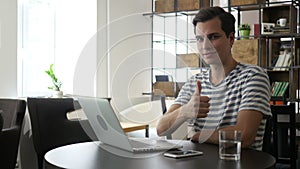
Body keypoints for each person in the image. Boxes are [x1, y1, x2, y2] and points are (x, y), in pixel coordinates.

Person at [156, 6, 271, 151]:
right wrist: (186, 111)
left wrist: (200, 136)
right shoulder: (194, 82)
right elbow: (161, 129)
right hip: (200, 162)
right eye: (199, 39)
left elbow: (244, 135)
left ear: (231, 39)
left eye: (213, 37)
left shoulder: (253, 76)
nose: (205, 46)